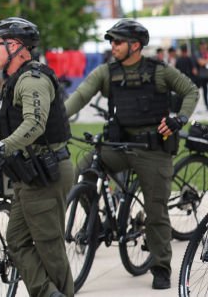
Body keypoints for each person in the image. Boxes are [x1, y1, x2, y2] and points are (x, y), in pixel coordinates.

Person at [64, 19, 196, 290]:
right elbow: (80, 95)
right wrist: (56, 120)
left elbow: (190, 91)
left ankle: (160, 266)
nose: (113, 46)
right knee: (85, 167)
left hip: (153, 151)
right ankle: (96, 222)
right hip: (119, 147)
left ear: (135, 45)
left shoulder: (160, 72)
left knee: (155, 211)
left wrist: (179, 119)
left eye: (118, 41)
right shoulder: (106, 72)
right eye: (111, 41)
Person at [0, 17, 74, 297]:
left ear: (16, 46)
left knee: (49, 245)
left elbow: (34, 124)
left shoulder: (33, 80)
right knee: (17, 242)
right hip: (29, 173)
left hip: (46, 172)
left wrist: (1, 146)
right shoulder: (14, 81)